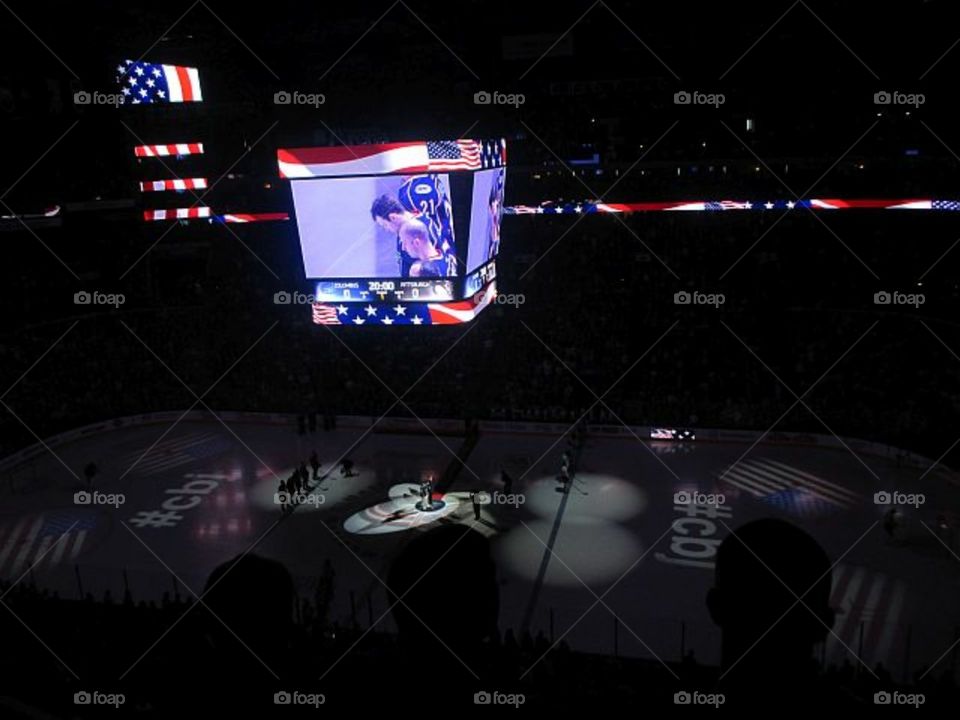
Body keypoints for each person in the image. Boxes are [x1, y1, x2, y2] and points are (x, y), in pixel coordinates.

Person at [370, 195, 430, 276]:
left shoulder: (424, 228)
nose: (387, 230)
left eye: (385, 225)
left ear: (393, 217)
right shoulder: (402, 232)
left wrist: (420, 269)